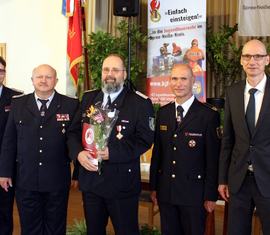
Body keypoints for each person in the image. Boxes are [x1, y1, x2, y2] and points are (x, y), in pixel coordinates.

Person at [67, 54, 155, 235]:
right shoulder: (89, 98)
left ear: (124, 74)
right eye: (106, 70)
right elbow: (73, 132)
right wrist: (78, 154)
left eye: (115, 70)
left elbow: (144, 139)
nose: (110, 74)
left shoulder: (139, 103)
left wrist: (112, 152)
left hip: (121, 184)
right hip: (91, 183)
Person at [0, 64, 79, 235]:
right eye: (39, 77)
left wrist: (78, 173)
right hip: (26, 180)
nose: (44, 81)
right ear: (32, 80)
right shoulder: (19, 103)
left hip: (57, 181)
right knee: (29, 229)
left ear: (56, 81)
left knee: (55, 229)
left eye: (48, 77)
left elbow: (76, 141)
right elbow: (9, 141)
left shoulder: (70, 105)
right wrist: (4, 172)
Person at [150, 63, 221, 235]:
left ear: (193, 81)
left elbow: (213, 160)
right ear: (169, 81)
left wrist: (210, 195)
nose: (179, 83)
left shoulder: (208, 115)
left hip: (194, 196)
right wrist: (154, 187)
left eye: (183, 78)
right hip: (167, 192)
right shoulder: (163, 113)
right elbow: (157, 153)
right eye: (174, 79)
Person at [218, 39, 270, 234]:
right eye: (247, 56)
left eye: (258, 56)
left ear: (267, 60)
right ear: (241, 60)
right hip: (239, 180)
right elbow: (228, 140)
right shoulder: (232, 92)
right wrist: (223, 179)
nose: (252, 61)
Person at [0, 56, 23, 235]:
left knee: (5, 209)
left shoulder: (16, 98)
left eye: (0, 71)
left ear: (4, 73)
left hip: (6, 164)